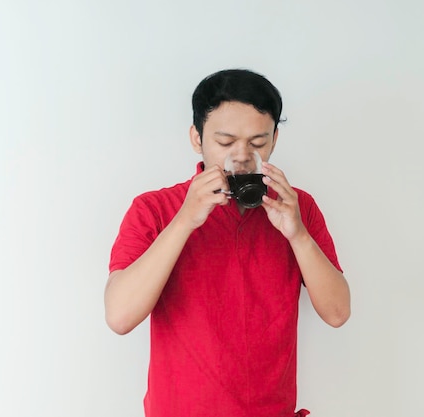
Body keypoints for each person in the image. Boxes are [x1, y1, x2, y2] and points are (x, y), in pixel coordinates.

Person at [105, 69, 351, 417]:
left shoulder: (298, 207)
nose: (242, 155)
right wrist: (185, 219)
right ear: (196, 138)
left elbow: (338, 313)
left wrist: (297, 235)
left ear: (275, 139)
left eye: (257, 143)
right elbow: (119, 316)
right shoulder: (153, 210)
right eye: (225, 143)